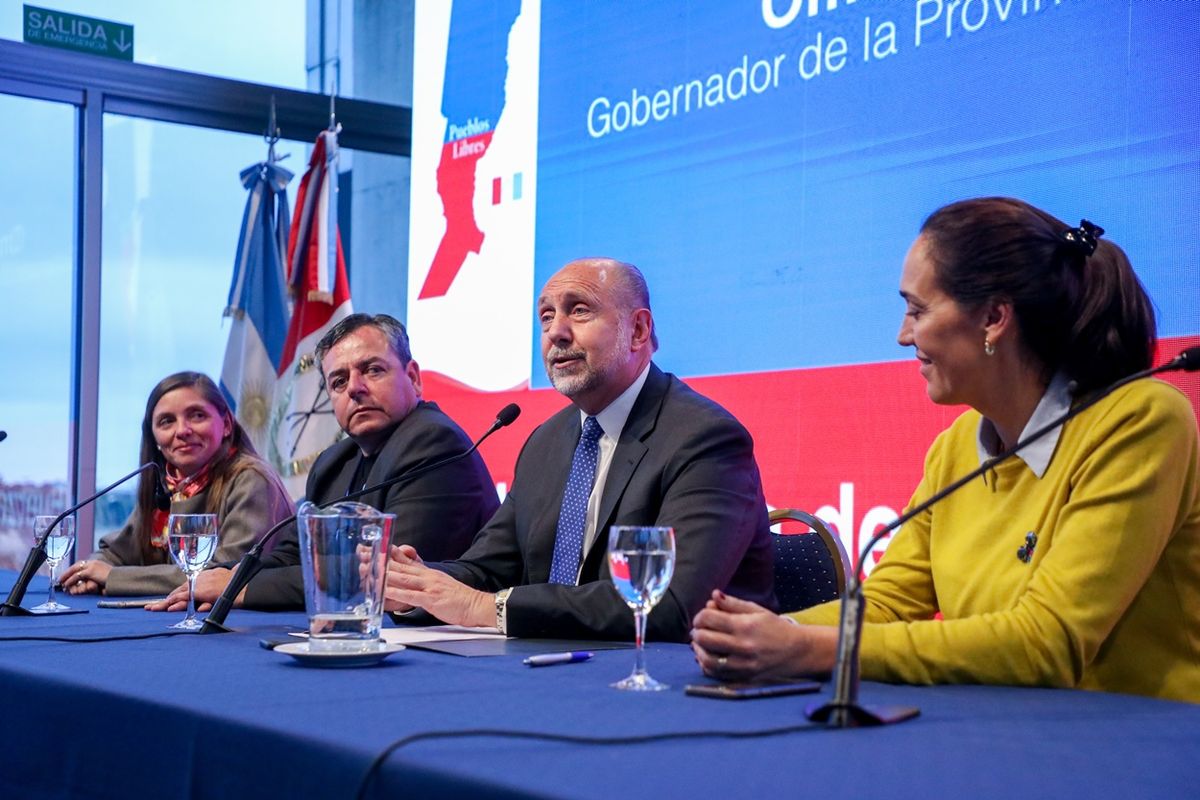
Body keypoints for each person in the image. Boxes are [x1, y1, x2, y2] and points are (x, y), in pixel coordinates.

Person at [691, 197, 1200, 702]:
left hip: (1139, 748)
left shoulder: (1141, 419)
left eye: (917, 310)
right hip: (1002, 732)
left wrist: (808, 648)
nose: (901, 334)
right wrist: (763, 632)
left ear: (994, 318)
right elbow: (887, 603)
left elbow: (1047, 643)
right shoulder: (955, 446)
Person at [382, 258, 775, 641]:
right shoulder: (545, 442)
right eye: (546, 317)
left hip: (678, 681)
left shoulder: (704, 438)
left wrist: (488, 608)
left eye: (579, 310)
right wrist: (412, 585)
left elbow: (670, 604)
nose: (556, 332)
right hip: (557, 665)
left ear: (638, 331)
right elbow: (489, 571)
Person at [153, 313, 499, 611]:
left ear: (413, 377)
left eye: (373, 370)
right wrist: (227, 575)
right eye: (339, 381)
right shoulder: (336, 460)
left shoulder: (435, 441)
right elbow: (292, 552)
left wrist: (242, 589)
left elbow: (379, 573)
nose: (355, 388)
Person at [60, 372, 294, 597]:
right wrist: (91, 572)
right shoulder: (167, 486)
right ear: (154, 437)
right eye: (166, 421)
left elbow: (223, 573)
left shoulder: (252, 480)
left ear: (226, 425)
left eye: (197, 415)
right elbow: (115, 552)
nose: (182, 430)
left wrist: (113, 578)